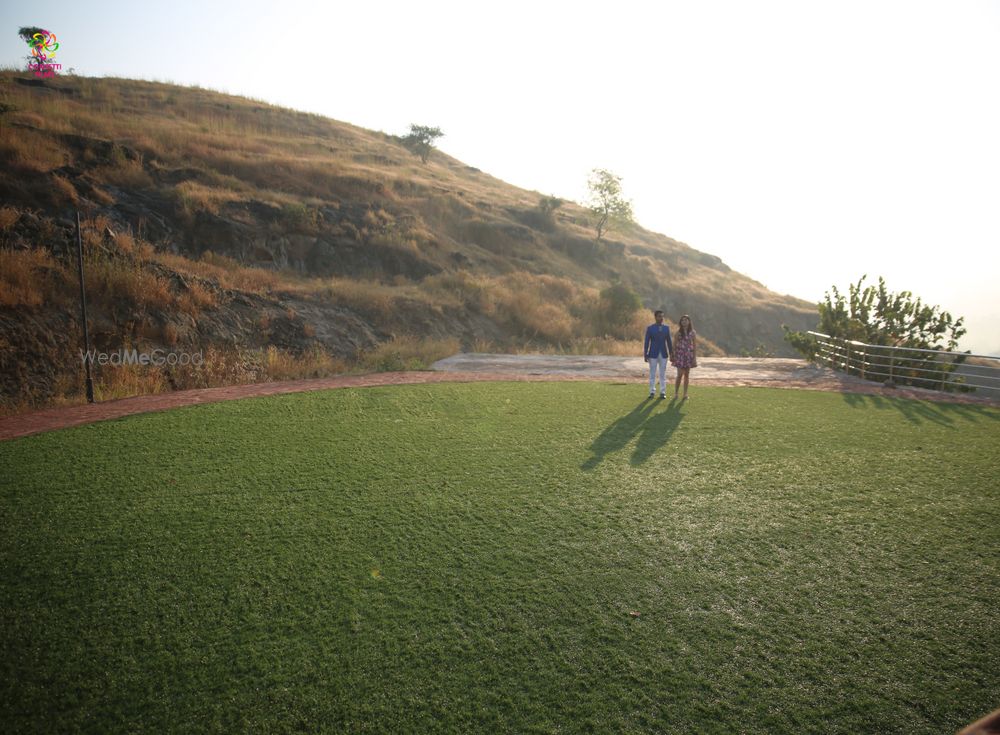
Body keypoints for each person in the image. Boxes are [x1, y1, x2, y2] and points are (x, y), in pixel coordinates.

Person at [643, 309, 673, 399]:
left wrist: (671, 353)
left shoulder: (666, 328)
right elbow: (646, 342)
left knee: (662, 373)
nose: (661, 318)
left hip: (663, 353)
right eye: (659, 316)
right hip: (652, 353)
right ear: (655, 317)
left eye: (662, 316)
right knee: (652, 373)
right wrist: (645, 354)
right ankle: (652, 392)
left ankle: (663, 392)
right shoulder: (650, 328)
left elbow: (669, 342)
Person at [671, 314, 697, 400]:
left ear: (689, 322)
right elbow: (674, 346)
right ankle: (676, 393)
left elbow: (694, 346)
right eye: (682, 320)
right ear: (680, 322)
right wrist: (672, 355)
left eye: (686, 320)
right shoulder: (678, 333)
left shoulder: (693, 333)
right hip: (680, 356)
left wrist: (694, 358)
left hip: (689, 356)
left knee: (687, 375)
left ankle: (685, 394)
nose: (684, 322)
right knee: (679, 375)